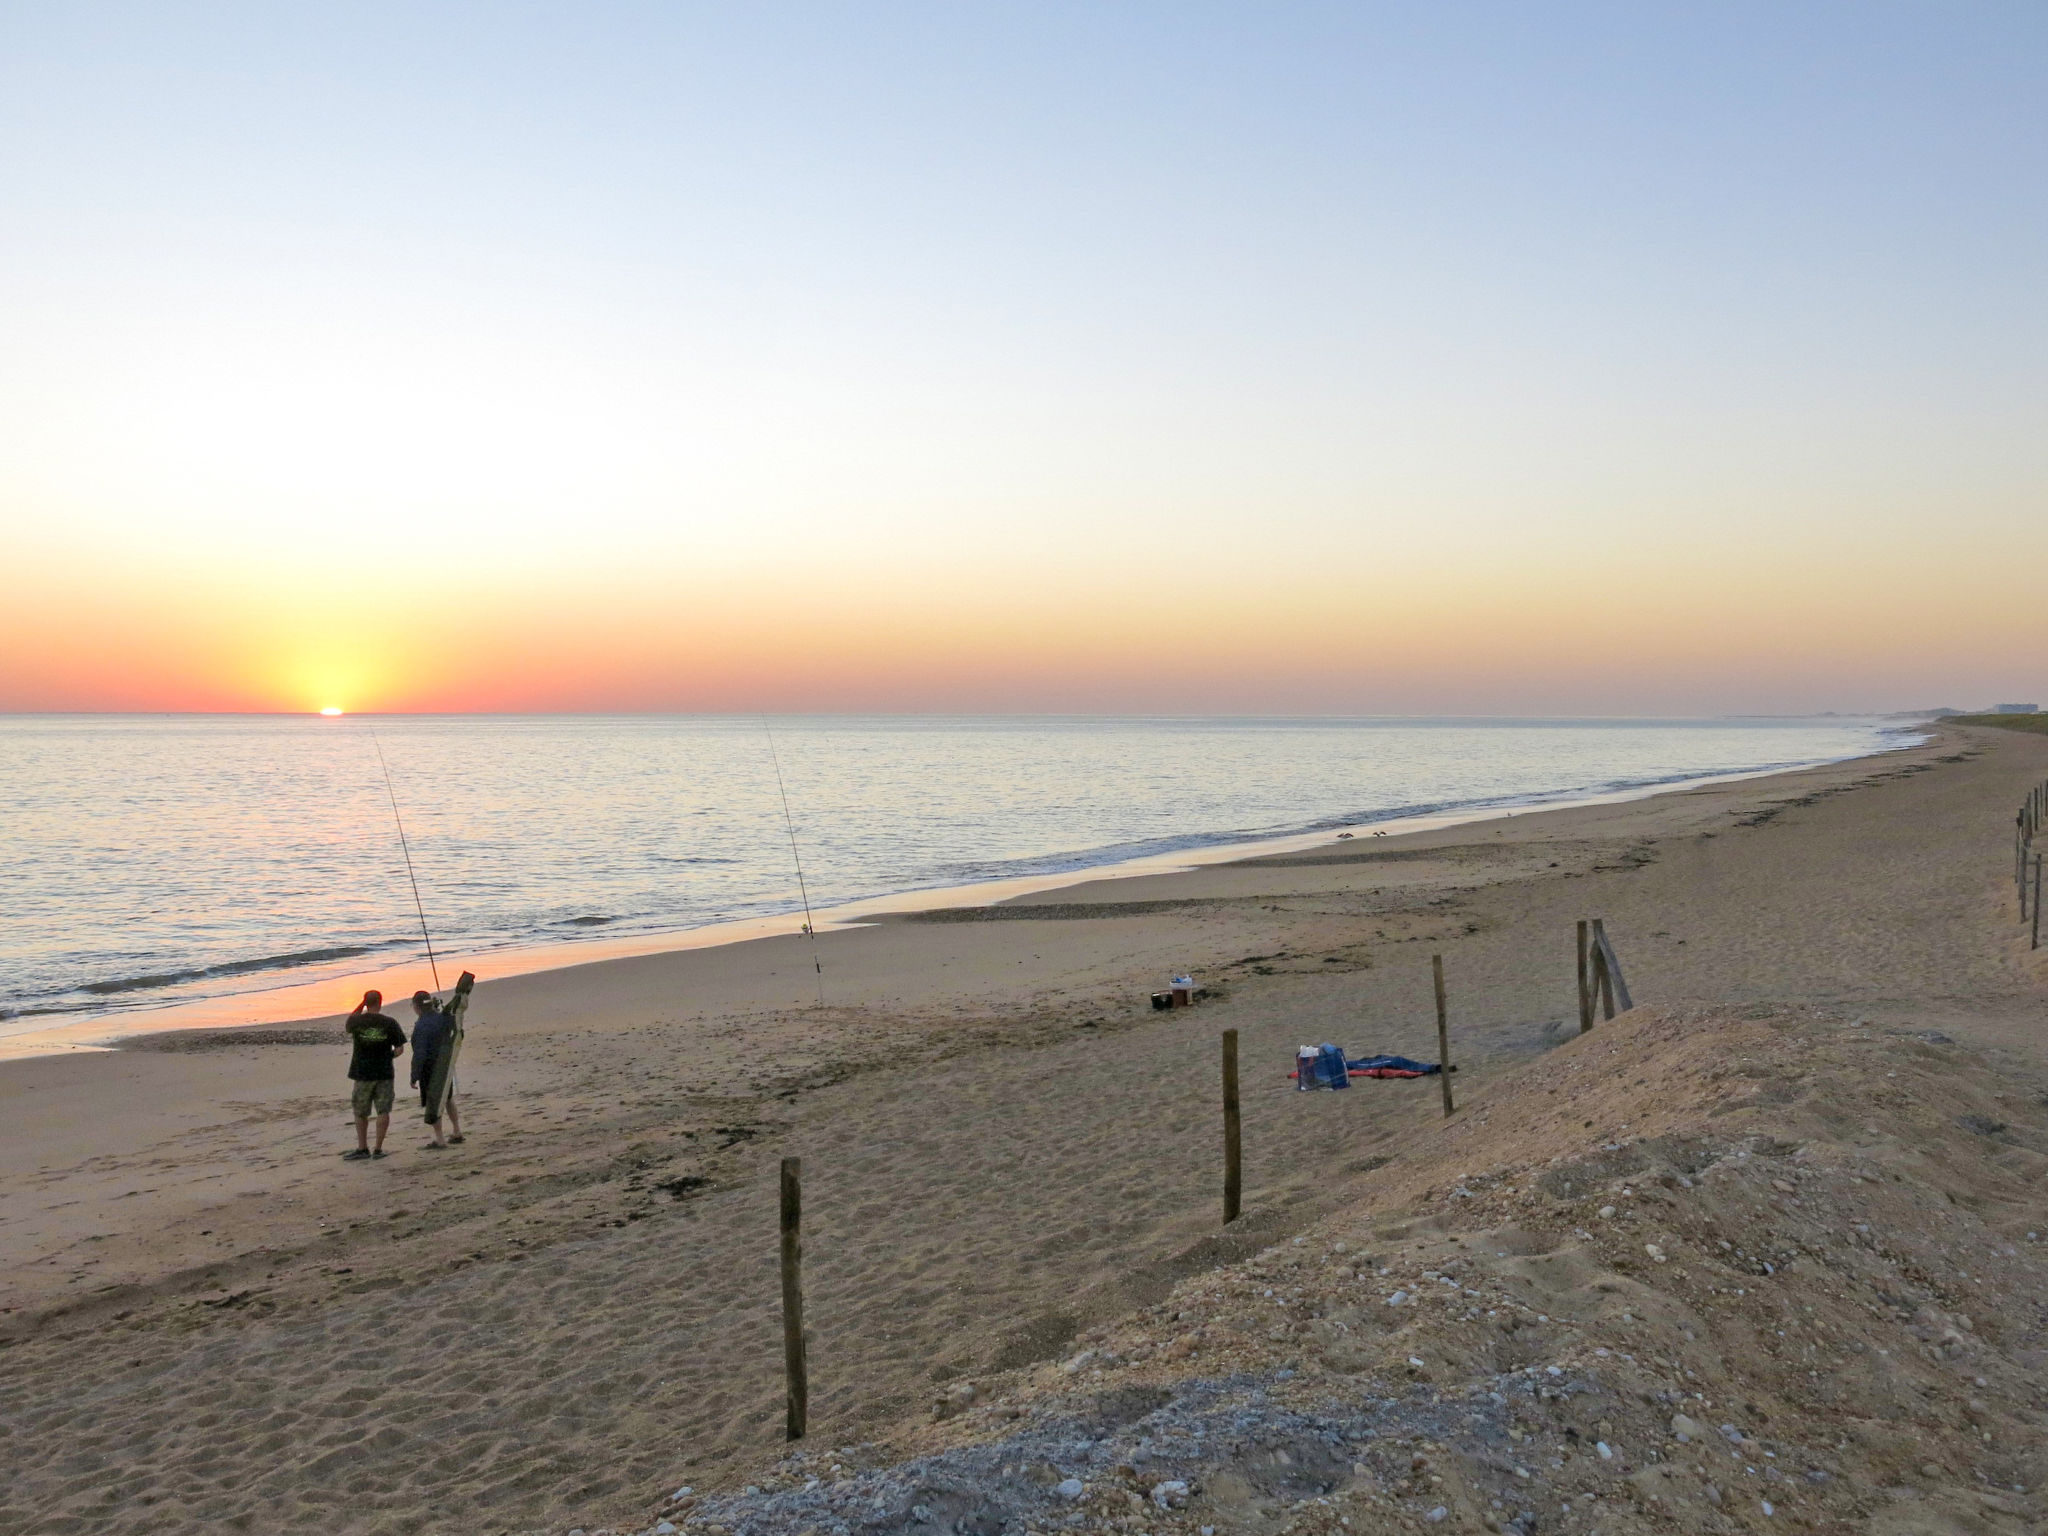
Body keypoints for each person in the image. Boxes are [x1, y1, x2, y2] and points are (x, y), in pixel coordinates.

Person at [342, 989, 407, 1160]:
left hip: (363, 1073)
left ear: (365, 1003)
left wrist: (361, 1005)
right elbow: (400, 1049)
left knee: (361, 1112)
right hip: (384, 1072)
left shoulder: (356, 1021)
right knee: (383, 1110)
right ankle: (378, 1148)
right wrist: (388, 1056)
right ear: (380, 1002)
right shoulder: (390, 1023)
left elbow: (348, 1024)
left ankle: (362, 1147)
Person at [408, 988, 464, 1148]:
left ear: (417, 1007)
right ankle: (456, 1130)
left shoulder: (422, 1026)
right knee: (447, 1097)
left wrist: (414, 1075)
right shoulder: (443, 1018)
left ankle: (440, 1138)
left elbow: (420, 1053)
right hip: (444, 1065)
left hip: (429, 1068)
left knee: (434, 1101)